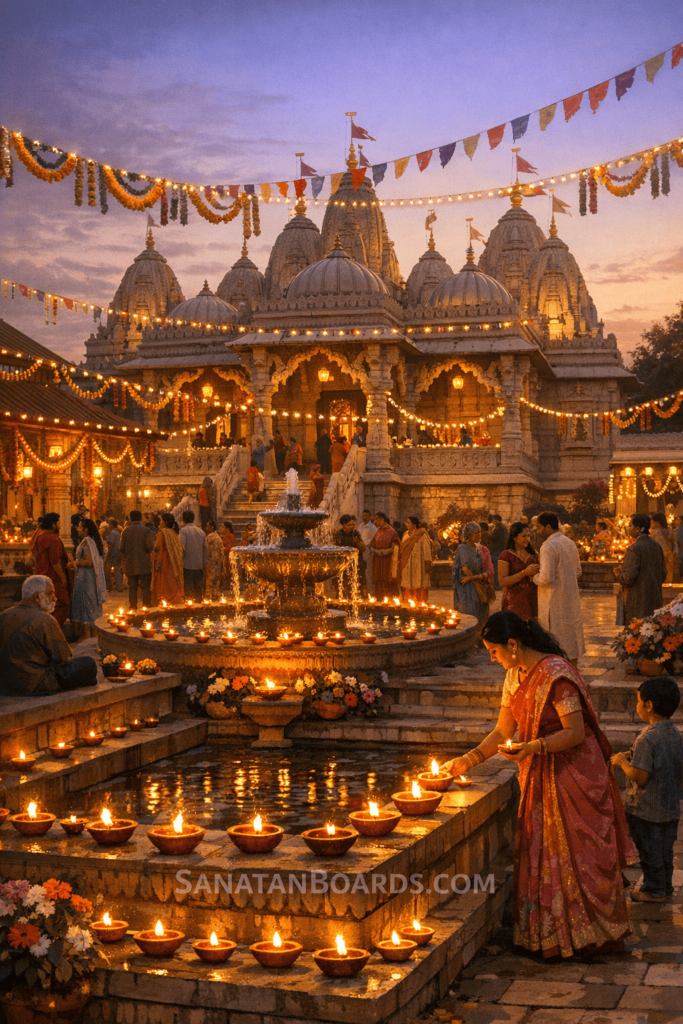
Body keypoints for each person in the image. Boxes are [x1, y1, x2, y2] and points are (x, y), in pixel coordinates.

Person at [443, 611, 635, 959]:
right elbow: (503, 731)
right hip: (541, 773)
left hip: (574, 772)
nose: (492, 658)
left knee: (580, 856)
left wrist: (533, 747)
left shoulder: (556, 675)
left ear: (513, 645)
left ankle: (589, 936)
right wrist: (466, 760)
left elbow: (575, 733)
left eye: (495, 652)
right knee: (544, 852)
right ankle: (549, 933)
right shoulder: (515, 676)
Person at [612, 676, 683, 903]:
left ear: (649, 705)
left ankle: (655, 891)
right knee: (664, 850)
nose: (637, 706)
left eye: (638, 702)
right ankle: (665, 886)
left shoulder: (647, 738)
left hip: (646, 810)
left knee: (649, 851)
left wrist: (621, 762)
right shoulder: (675, 734)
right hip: (669, 808)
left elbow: (640, 777)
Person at [0, 576, 98, 696]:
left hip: (7, 682)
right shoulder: (44, 619)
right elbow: (63, 658)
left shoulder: (4, 615)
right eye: (50, 594)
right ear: (37, 597)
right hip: (36, 682)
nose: (54, 598)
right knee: (89, 663)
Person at [533, 512, 585, 665]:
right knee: (570, 637)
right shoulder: (569, 542)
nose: (537, 531)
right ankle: (572, 670)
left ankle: (557, 672)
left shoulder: (548, 546)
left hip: (552, 600)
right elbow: (578, 571)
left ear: (548, 527)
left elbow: (546, 577)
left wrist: (533, 577)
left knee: (554, 638)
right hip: (569, 597)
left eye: (539, 527)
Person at [614, 514, 667, 624]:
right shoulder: (657, 546)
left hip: (637, 601)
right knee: (653, 632)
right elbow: (663, 573)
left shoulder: (634, 548)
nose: (628, 528)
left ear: (637, 529)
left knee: (637, 633)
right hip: (655, 599)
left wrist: (619, 575)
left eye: (630, 525)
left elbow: (629, 576)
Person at [452, 522, 494, 636]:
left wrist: (475, 578)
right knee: (469, 614)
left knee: (481, 614)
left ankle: (479, 637)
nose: (479, 535)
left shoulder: (482, 549)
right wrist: (474, 580)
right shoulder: (463, 548)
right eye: (476, 533)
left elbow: (489, 569)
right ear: (469, 534)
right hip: (467, 588)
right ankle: (468, 639)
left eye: (480, 532)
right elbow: (465, 567)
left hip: (478, 583)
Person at [68, 518, 108, 638]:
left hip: (87, 578)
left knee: (88, 603)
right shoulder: (90, 542)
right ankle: (89, 634)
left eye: (80, 527)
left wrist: (75, 563)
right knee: (88, 603)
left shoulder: (87, 543)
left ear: (86, 529)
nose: (78, 529)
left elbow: (89, 562)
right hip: (86, 577)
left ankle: (88, 634)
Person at [29, 512, 71, 625]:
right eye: (59, 523)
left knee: (47, 604)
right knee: (63, 603)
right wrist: (63, 577)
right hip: (53, 577)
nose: (60, 525)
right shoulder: (53, 539)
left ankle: (46, 629)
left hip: (41, 575)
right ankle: (52, 629)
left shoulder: (39, 537)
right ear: (53, 525)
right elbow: (55, 561)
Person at [497, 522, 539, 621]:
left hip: (532, 599)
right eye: (524, 536)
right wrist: (523, 573)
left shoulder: (533, 555)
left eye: (529, 536)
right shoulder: (506, 555)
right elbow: (502, 581)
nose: (527, 539)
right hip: (514, 601)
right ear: (514, 537)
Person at [120, 509, 155, 610]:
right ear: (140, 518)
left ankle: (133, 607)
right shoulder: (147, 531)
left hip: (130, 562)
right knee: (145, 587)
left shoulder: (126, 531)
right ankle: (146, 606)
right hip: (144, 563)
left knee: (132, 587)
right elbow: (150, 546)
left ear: (130, 519)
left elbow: (121, 547)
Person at [152, 513, 185, 604]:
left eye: (161, 520)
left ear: (165, 522)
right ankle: (175, 598)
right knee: (173, 579)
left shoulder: (162, 532)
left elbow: (157, 547)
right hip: (174, 561)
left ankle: (165, 599)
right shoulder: (174, 532)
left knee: (164, 581)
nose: (160, 522)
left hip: (165, 560)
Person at [399, 516, 432, 602]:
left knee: (419, 582)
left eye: (408, 523)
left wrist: (427, 563)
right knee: (408, 583)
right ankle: (409, 602)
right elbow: (402, 549)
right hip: (407, 564)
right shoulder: (405, 535)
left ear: (414, 525)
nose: (406, 525)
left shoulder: (422, 534)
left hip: (419, 564)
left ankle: (420, 604)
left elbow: (427, 549)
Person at [334, 515, 367, 596]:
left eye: (353, 525)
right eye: (350, 525)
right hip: (343, 563)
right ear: (344, 525)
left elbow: (363, 547)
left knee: (358, 582)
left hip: (356, 562)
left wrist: (357, 542)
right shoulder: (339, 534)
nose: (352, 527)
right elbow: (334, 547)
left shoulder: (355, 534)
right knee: (343, 583)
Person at [180, 510, 208, 600]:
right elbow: (205, 548)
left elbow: (181, 547)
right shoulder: (201, 532)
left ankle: (189, 608)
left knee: (188, 589)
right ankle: (199, 607)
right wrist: (204, 562)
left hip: (187, 564)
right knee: (198, 589)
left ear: (183, 519)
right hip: (199, 564)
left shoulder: (184, 531)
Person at [371, 512, 400, 600]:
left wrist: (382, 552)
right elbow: (372, 544)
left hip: (388, 560)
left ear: (382, 519)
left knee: (388, 579)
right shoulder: (377, 532)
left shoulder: (392, 532)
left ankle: (390, 599)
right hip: (378, 560)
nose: (375, 521)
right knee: (378, 579)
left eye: (376, 519)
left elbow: (395, 548)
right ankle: (379, 598)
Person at [650, 512, 678, 584]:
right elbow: (675, 543)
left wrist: (669, 554)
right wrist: (674, 552)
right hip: (671, 557)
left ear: (657, 523)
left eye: (652, 522)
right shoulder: (670, 530)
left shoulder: (656, 532)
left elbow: (662, 545)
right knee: (669, 576)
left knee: (660, 577)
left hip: (660, 557)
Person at [205, 521, 225, 600]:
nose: (206, 528)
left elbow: (207, 550)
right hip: (218, 562)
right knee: (216, 581)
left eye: (208, 526)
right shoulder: (218, 537)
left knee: (210, 580)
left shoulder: (210, 537)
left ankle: (209, 597)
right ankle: (215, 596)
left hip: (211, 561)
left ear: (212, 527)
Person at [359, 509, 377, 594]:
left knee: (368, 572)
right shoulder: (360, 526)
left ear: (370, 517)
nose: (364, 517)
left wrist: (369, 546)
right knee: (360, 571)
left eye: (366, 516)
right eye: (363, 515)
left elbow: (375, 540)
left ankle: (370, 591)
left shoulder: (373, 528)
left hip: (367, 552)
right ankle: (362, 591)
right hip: (360, 551)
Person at [104, 518, 124, 592]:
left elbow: (112, 544)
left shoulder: (112, 533)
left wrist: (108, 554)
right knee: (117, 570)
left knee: (107, 569)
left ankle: (109, 586)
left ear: (111, 525)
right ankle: (119, 586)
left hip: (113, 554)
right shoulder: (118, 533)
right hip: (118, 553)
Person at [488, 514, 507, 589]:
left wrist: (488, 534)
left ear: (497, 520)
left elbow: (493, 537)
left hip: (496, 550)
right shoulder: (504, 527)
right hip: (501, 549)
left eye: (493, 520)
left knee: (495, 567)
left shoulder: (498, 528)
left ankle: (497, 585)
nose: (493, 521)